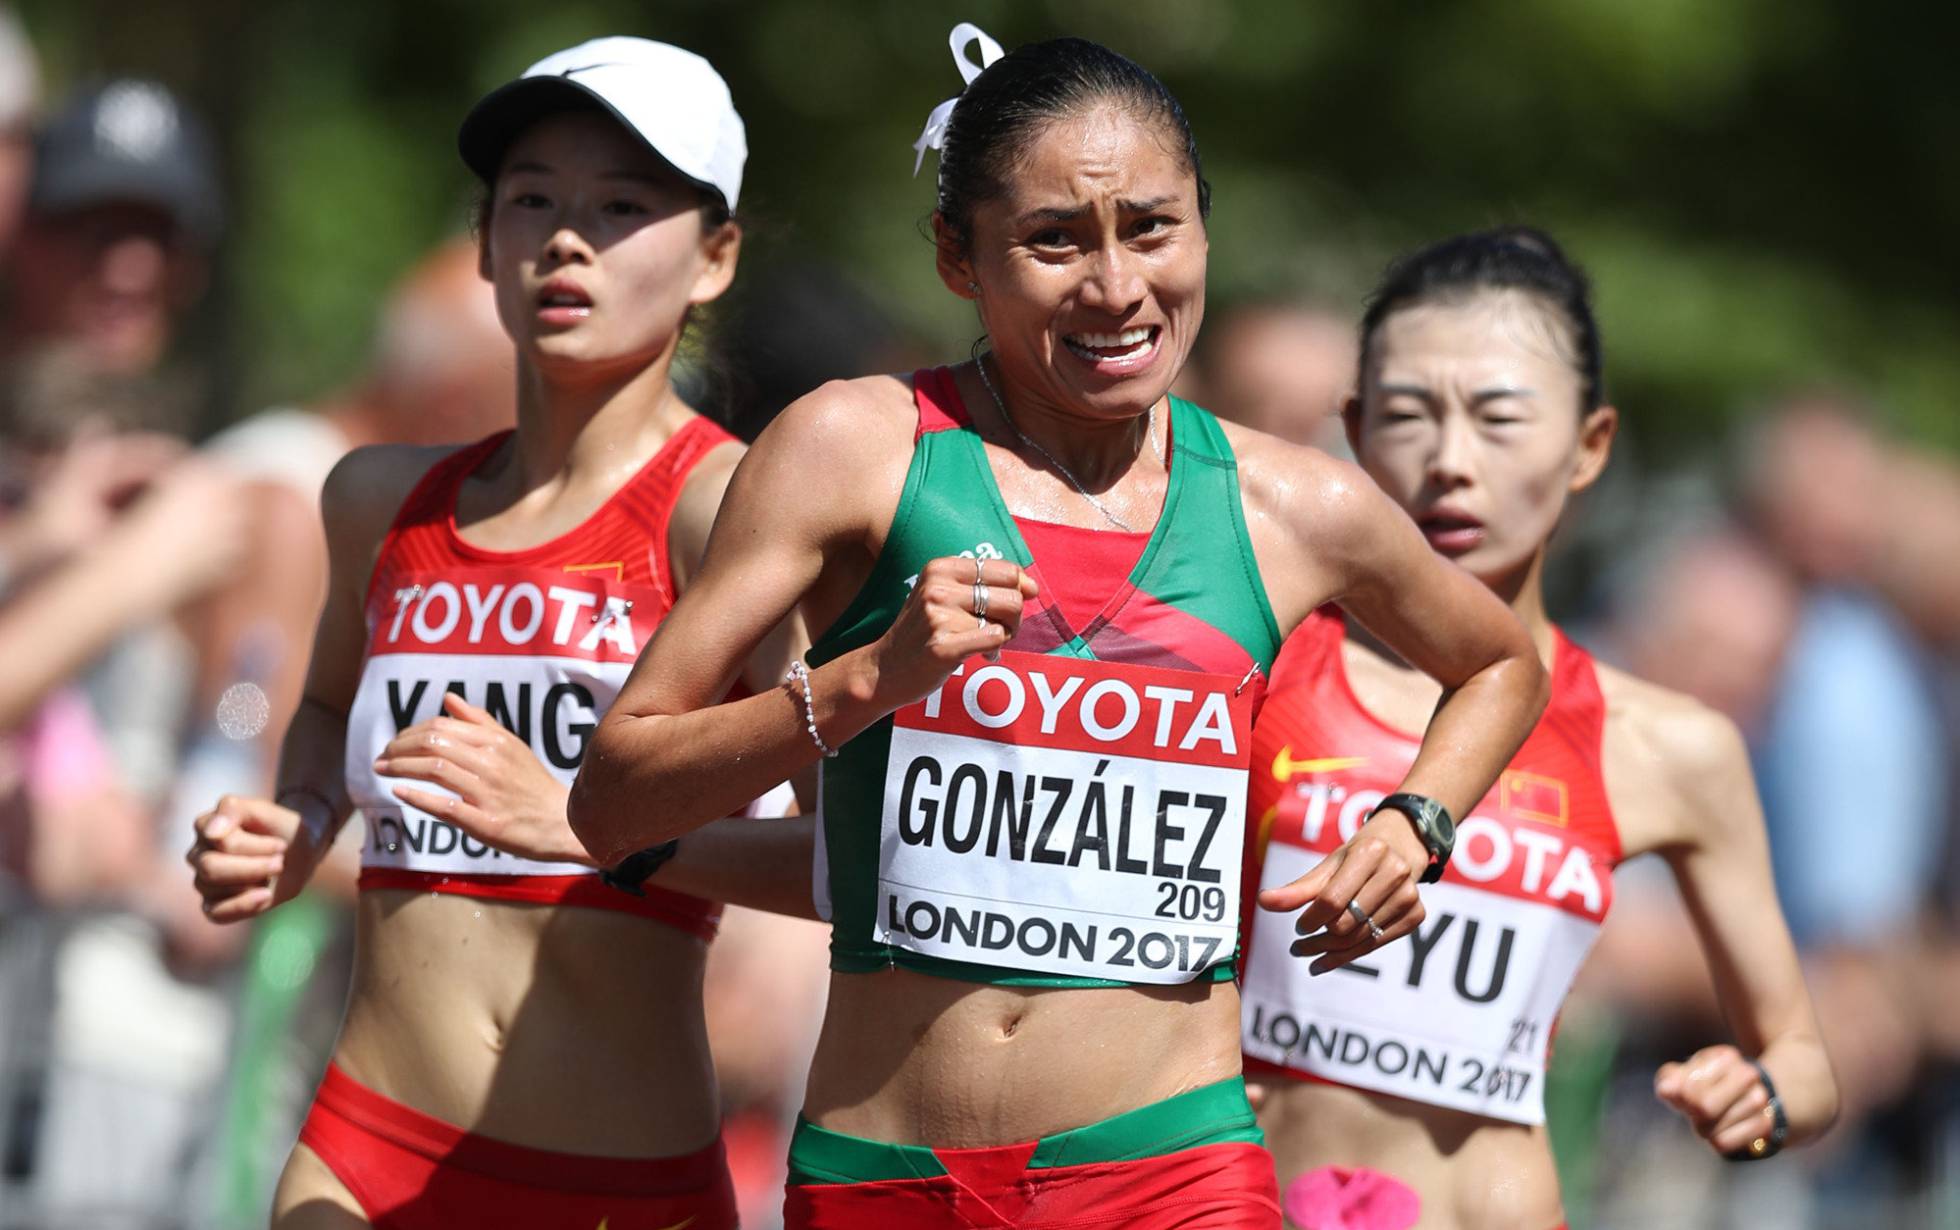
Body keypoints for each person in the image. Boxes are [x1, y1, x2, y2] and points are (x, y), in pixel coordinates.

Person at [570, 27, 1548, 1230]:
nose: (1115, 287)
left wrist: (1419, 817)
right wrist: (871, 677)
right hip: (886, 1175)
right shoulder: (852, 450)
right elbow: (611, 802)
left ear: (1202, 228)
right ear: (955, 256)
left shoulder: (1295, 505)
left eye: (1152, 227)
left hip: (1171, 1172)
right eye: (1052, 240)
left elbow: (1501, 660)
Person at [185, 37, 811, 1229]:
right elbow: (320, 707)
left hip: (620, 1184)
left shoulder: (728, 512)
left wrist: (592, 827)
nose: (566, 238)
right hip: (362, 1149)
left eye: (623, 206)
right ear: (483, 243)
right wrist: (299, 820)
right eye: (531, 200)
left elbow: (853, 858)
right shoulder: (378, 499)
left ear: (715, 257)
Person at [1237, 227, 1839, 1230]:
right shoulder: (1253, 668)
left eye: (1500, 417)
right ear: (1351, 430)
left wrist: (1762, 1101)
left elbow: (1802, 1059)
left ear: (1588, 445)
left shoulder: (1668, 746)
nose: (1449, 463)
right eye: (1406, 414)